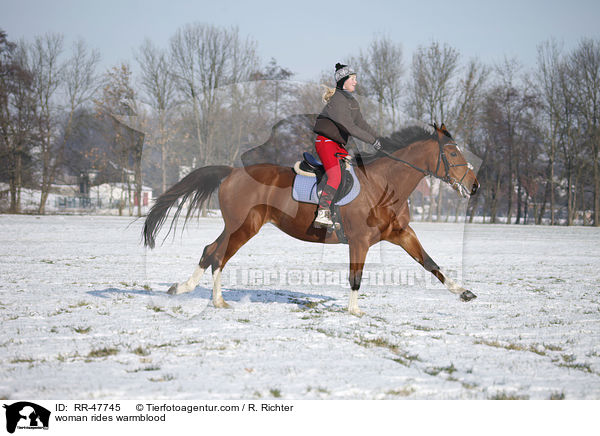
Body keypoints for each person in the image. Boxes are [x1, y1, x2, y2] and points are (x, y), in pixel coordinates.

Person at [312, 63, 382, 228]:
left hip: (337, 146)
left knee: (353, 173)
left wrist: (380, 139)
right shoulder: (338, 101)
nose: (356, 82)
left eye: (356, 79)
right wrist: (372, 141)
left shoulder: (352, 101)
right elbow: (350, 127)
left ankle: (338, 212)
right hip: (326, 143)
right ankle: (323, 211)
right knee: (335, 176)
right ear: (343, 81)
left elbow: (362, 124)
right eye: (353, 79)